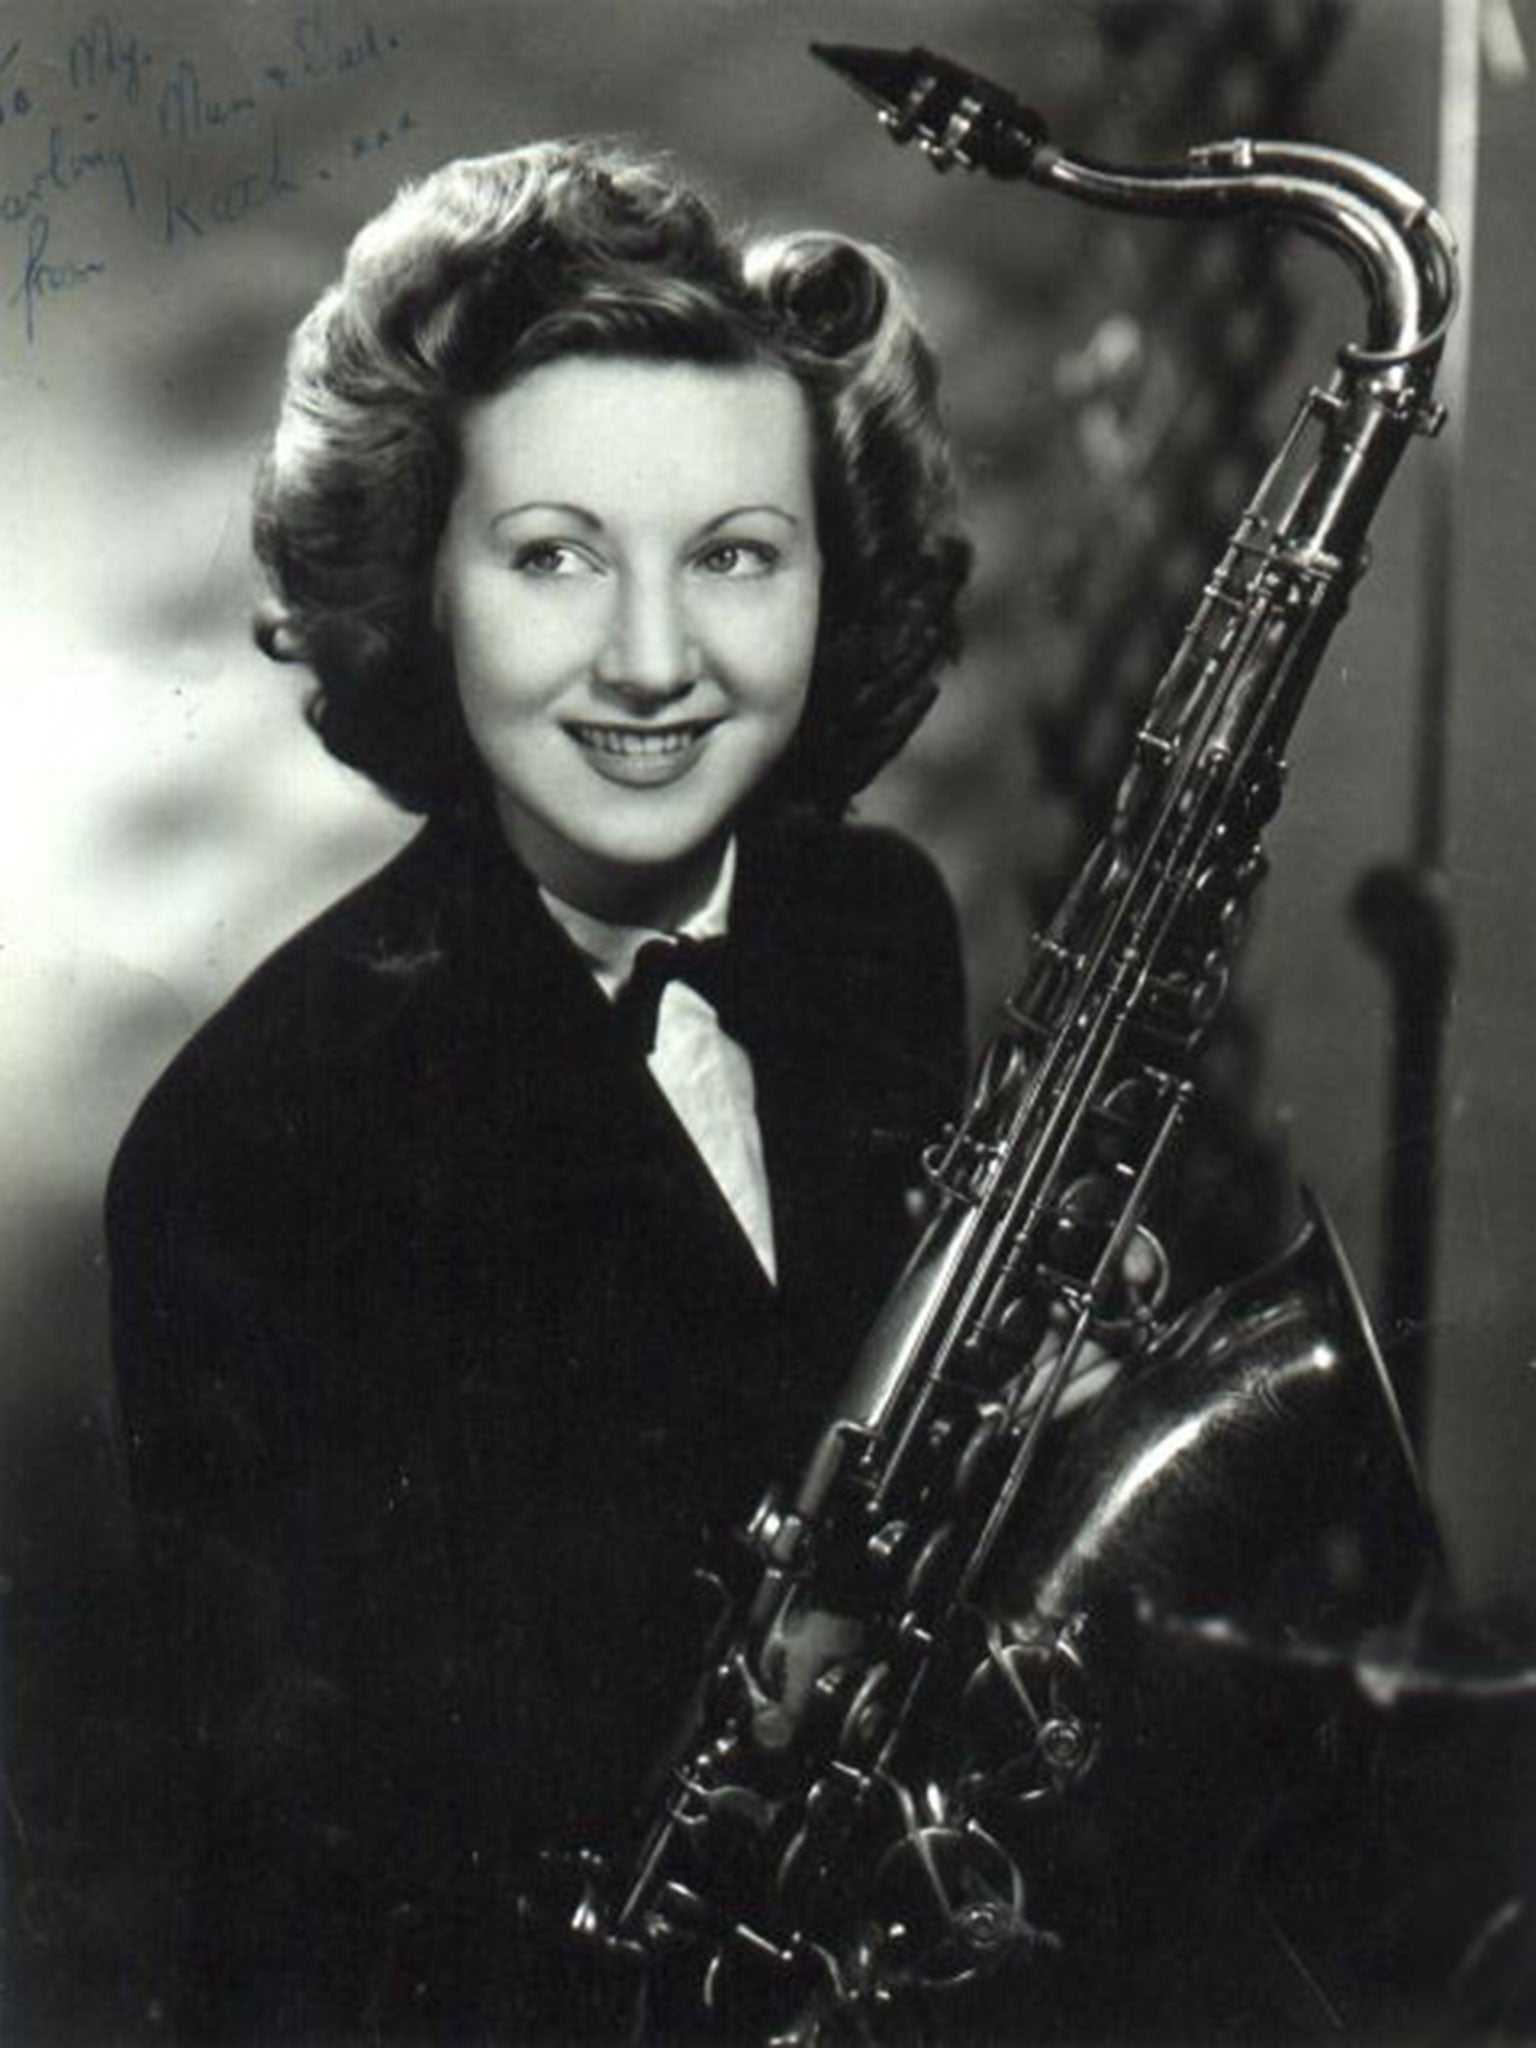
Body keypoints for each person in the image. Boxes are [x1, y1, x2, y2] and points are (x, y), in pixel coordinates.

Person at [106, 138, 970, 2041]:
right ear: (420, 583)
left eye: (736, 555)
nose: (654, 663)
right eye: (555, 554)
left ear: (840, 573)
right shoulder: (249, 1154)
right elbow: (292, 1907)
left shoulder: (879, 926)